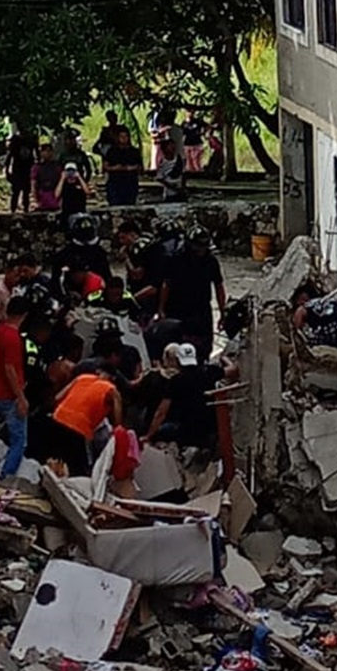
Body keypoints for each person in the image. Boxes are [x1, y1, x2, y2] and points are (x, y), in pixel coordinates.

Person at [159, 226, 225, 362]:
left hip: (201, 309)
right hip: (178, 308)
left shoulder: (211, 261)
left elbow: (219, 286)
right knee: (177, 347)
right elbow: (166, 284)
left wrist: (223, 312)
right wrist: (161, 309)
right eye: (198, 246)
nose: (201, 250)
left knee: (203, 347)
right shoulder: (175, 259)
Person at [143, 343, 213, 448]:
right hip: (206, 427)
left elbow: (161, 413)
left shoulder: (173, 380)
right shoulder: (207, 372)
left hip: (182, 428)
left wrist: (149, 435)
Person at [0, 296, 29, 478]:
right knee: (19, 441)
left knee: (5, 435)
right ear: (24, 315)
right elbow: (9, 368)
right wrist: (20, 397)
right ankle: (6, 477)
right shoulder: (13, 337)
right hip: (8, 396)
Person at [51, 371, 122, 473]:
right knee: (79, 468)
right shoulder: (111, 389)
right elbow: (117, 406)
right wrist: (118, 429)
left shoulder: (82, 377)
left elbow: (58, 397)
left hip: (58, 417)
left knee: (57, 458)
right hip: (79, 426)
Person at [103, 127, 142, 208]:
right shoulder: (112, 151)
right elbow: (105, 166)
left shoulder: (134, 151)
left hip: (130, 183)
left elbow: (140, 167)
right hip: (115, 183)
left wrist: (130, 168)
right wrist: (115, 168)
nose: (124, 139)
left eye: (125, 137)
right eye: (121, 137)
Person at [4, 129, 35, 215]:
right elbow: (9, 155)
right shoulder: (15, 141)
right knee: (16, 191)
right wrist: (7, 170)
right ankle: (13, 210)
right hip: (17, 168)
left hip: (27, 168)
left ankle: (26, 209)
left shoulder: (31, 139)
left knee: (26, 192)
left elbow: (35, 154)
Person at [154, 134, 185, 202]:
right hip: (169, 193)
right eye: (170, 146)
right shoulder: (163, 163)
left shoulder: (179, 159)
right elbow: (160, 178)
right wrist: (171, 186)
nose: (172, 148)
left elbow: (182, 173)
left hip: (179, 190)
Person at [32, 143, 61, 213]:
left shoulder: (57, 166)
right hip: (42, 196)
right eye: (44, 151)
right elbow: (33, 184)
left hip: (55, 196)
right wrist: (35, 199)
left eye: (49, 151)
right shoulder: (37, 167)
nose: (47, 153)